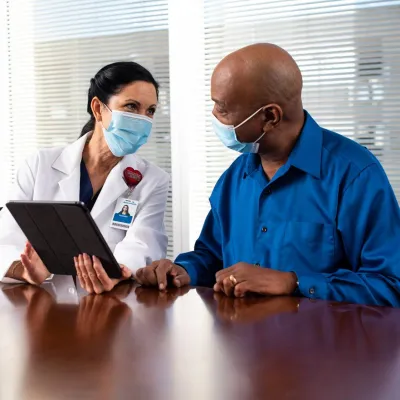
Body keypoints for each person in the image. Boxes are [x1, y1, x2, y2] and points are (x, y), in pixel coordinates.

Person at [136, 43, 400, 307]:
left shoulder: (355, 175)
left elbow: (389, 285)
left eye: (222, 108)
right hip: (240, 343)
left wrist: (294, 282)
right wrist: (183, 271)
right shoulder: (236, 176)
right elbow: (211, 256)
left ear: (270, 116)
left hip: (320, 347)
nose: (214, 116)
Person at [0, 61, 170, 294]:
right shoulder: (39, 165)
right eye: (131, 107)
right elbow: (5, 237)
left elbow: (143, 244)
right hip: (41, 302)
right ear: (98, 108)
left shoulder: (152, 180)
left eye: (150, 111)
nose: (143, 119)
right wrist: (24, 270)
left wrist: (115, 273)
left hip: (108, 305)